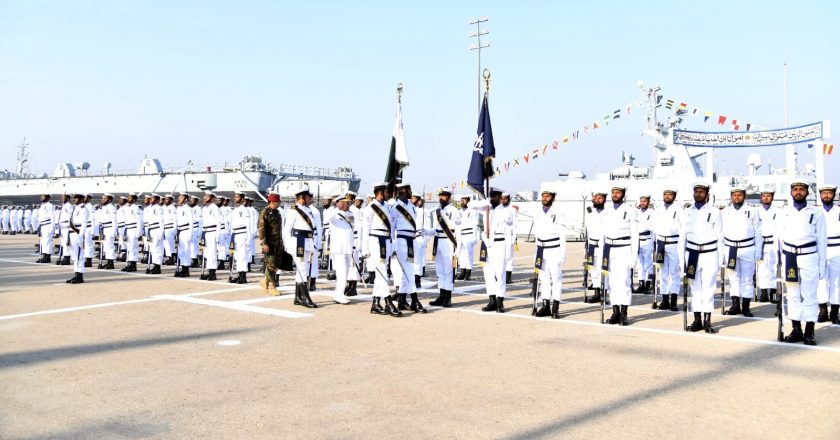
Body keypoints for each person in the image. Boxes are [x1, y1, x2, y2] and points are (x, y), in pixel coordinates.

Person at [778, 181, 827, 345]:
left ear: (807, 193)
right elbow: (778, 238)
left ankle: (810, 331)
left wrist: (821, 265)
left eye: (802, 190)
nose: (798, 192)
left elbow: (821, 239)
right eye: (795, 190)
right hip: (790, 257)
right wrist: (779, 261)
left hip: (809, 256)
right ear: (791, 192)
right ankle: (796, 329)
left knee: (809, 295)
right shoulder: (784, 212)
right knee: (792, 295)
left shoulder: (816, 212)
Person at [679, 182, 722, 333]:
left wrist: (720, 259)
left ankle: (707, 320)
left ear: (707, 195)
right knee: (695, 289)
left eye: (701, 192)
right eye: (696, 192)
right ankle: (697, 319)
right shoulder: (686, 212)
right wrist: (681, 260)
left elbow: (720, 237)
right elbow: (682, 237)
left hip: (709, 253)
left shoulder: (715, 212)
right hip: (691, 254)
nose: (698, 194)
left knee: (709, 288)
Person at [468, 187, 515, 313]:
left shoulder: (506, 211)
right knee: (488, 274)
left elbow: (510, 222)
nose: (493, 198)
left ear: (500, 198)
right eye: (491, 196)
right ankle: (492, 300)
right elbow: (470, 204)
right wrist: (485, 202)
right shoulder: (486, 208)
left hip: (499, 244)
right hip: (486, 244)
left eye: (495, 196)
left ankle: (500, 302)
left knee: (499, 274)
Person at [720, 186, 762, 317]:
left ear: (745, 196)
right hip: (730, 248)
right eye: (734, 195)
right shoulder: (724, 212)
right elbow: (720, 233)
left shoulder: (752, 211)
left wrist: (758, 252)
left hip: (748, 248)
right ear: (731, 197)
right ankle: (735, 305)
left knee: (747, 279)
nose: (737, 197)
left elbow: (758, 232)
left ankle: (746, 306)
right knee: (733, 278)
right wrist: (721, 252)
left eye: (739, 195)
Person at [599, 186, 638, 325]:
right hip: (609, 249)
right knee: (612, 283)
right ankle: (615, 311)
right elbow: (602, 234)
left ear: (623, 194)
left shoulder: (631, 211)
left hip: (624, 249)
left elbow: (635, 235)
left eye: (618, 192)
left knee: (624, 282)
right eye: (613, 192)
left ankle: (624, 313)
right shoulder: (606, 211)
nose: (615, 195)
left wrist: (634, 257)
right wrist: (601, 253)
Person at [361, 183, 400, 316]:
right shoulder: (370, 207)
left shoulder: (387, 207)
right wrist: (365, 247)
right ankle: (388, 302)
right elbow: (365, 229)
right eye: (386, 191)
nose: (388, 193)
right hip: (375, 240)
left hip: (385, 241)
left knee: (380, 274)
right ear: (380, 192)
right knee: (382, 272)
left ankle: (375, 303)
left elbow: (391, 227)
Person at [390, 182, 425, 313]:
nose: (411, 191)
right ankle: (415, 300)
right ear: (403, 191)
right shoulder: (395, 206)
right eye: (409, 189)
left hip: (411, 240)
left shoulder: (411, 205)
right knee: (409, 270)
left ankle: (402, 299)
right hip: (401, 240)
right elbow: (392, 227)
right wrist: (392, 244)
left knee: (407, 270)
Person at [533, 187, 567, 319]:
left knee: (556, 279)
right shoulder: (537, 212)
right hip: (541, 249)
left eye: (547, 196)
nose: (544, 199)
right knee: (544, 279)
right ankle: (545, 305)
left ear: (553, 197)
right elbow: (537, 235)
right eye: (543, 196)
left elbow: (562, 235)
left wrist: (562, 254)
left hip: (554, 249)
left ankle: (555, 307)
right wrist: (536, 254)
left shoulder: (558, 212)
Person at [283, 186, 318, 308]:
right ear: (302, 197)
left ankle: (298, 297)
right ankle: (305, 297)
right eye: (308, 197)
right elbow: (287, 229)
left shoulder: (308, 210)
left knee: (302, 269)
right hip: (298, 242)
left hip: (307, 242)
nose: (310, 199)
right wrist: (287, 245)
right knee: (302, 269)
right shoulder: (293, 211)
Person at [426, 188, 461, 307]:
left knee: (448, 270)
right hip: (438, 241)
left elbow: (458, 230)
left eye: (444, 196)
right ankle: (441, 296)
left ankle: (448, 297)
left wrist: (458, 247)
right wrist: (425, 231)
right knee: (440, 271)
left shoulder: (454, 210)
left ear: (449, 197)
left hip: (449, 242)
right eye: (440, 195)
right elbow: (436, 229)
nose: (441, 198)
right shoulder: (437, 211)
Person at [652, 188, 684, 311]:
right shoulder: (658, 210)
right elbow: (654, 227)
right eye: (665, 194)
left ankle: (674, 300)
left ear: (674, 196)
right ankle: (665, 299)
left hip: (674, 243)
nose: (667, 196)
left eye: (670, 194)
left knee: (674, 273)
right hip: (660, 243)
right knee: (663, 273)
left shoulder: (679, 210)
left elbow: (683, 228)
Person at [816, 185, 839, 324]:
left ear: (834, 195)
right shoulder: (816, 212)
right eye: (824, 193)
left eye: (829, 193)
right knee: (821, 281)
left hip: (837, 249)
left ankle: (835, 312)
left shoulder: (839, 211)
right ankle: (823, 310)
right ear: (820, 195)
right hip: (821, 249)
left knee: (837, 282)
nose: (826, 196)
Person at [328, 194, 356, 304]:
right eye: (345, 202)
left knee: (346, 272)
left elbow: (351, 229)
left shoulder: (351, 214)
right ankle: (339, 294)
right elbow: (328, 218)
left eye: (349, 202)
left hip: (348, 247)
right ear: (340, 202)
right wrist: (337, 207)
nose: (348, 204)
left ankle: (338, 293)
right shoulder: (334, 214)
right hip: (338, 248)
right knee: (341, 272)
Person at [756, 189, 781, 303]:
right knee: (762, 269)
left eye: (768, 196)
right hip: (761, 244)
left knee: (774, 268)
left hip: (773, 244)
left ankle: (773, 292)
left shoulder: (777, 211)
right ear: (761, 197)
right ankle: (764, 292)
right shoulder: (756, 211)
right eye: (764, 196)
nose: (766, 198)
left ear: (772, 197)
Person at [585, 191, 608, 303]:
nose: (598, 200)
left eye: (600, 198)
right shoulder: (590, 212)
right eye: (596, 198)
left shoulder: (608, 212)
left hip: (603, 245)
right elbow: (587, 229)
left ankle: (605, 293)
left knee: (604, 269)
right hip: (592, 245)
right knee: (593, 270)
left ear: (604, 199)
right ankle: (596, 292)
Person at [258, 192, 283, 294]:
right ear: (272, 202)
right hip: (269, 242)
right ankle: (272, 286)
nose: (279, 203)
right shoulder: (265, 213)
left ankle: (265, 281)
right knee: (271, 264)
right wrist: (264, 243)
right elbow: (261, 229)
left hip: (278, 242)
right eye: (278, 201)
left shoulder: (277, 212)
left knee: (277, 264)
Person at [227, 191, 252, 284]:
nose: (235, 198)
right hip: (235, 234)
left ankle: (243, 276)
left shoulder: (244, 210)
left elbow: (248, 225)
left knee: (242, 256)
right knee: (237, 256)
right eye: (235, 197)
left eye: (237, 197)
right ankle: (238, 274)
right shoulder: (235, 210)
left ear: (242, 199)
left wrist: (248, 238)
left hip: (242, 234)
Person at [66, 194, 89, 284]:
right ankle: (76, 274)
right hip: (71, 233)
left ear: (82, 199)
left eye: (77, 198)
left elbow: (83, 224)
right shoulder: (75, 208)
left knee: (79, 255)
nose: (75, 199)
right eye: (74, 198)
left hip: (77, 232)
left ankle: (80, 275)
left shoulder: (84, 209)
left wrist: (81, 236)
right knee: (74, 255)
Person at [634, 195, 654, 293]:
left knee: (648, 264)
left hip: (648, 240)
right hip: (638, 240)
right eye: (641, 201)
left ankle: (648, 283)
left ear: (648, 202)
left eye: (644, 201)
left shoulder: (652, 213)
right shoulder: (636, 213)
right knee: (639, 264)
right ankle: (641, 283)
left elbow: (654, 229)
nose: (642, 203)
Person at [455, 193, 477, 281]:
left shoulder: (472, 211)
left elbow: (475, 225)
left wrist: (474, 237)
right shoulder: (459, 212)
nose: (462, 201)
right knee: (461, 255)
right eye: (461, 200)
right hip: (461, 235)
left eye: (464, 199)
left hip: (469, 235)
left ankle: (468, 272)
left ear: (468, 201)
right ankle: (462, 271)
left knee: (469, 255)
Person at [95, 193, 118, 269]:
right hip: (103, 228)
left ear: (110, 200)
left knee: (110, 245)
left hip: (109, 228)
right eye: (103, 198)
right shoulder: (103, 208)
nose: (103, 200)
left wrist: (114, 231)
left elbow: (114, 220)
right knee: (105, 246)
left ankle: (111, 262)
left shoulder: (111, 208)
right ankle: (108, 261)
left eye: (105, 198)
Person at [121, 193, 143, 272]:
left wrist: (139, 232)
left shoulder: (136, 208)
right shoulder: (127, 208)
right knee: (129, 248)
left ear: (134, 200)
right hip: (128, 229)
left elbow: (139, 221)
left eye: (130, 198)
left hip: (134, 229)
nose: (128, 199)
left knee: (133, 247)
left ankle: (133, 265)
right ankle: (129, 263)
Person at [174, 193, 194, 277]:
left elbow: (191, 222)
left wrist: (190, 234)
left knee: (186, 250)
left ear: (185, 199)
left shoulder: (188, 209)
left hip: (186, 231)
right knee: (181, 251)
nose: (179, 199)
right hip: (180, 231)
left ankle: (186, 269)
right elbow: (176, 221)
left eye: (181, 197)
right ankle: (182, 267)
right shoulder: (178, 209)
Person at [412, 193, 428, 288]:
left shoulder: (423, 211)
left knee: (418, 260)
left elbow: (426, 225)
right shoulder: (409, 209)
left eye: (414, 198)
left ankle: (417, 279)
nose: (411, 200)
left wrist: (425, 239)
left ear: (418, 200)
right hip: (410, 237)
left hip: (419, 237)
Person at [501, 192, 517, 284]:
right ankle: (501, 275)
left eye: (505, 198)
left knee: (509, 257)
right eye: (502, 198)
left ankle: (508, 276)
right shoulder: (498, 209)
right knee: (501, 256)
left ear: (509, 199)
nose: (503, 200)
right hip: (500, 236)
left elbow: (515, 225)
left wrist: (513, 238)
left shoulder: (512, 209)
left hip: (508, 235)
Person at [36, 194, 55, 263]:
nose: (41, 197)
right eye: (41, 196)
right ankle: (44, 256)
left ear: (48, 198)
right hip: (42, 225)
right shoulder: (42, 205)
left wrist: (52, 228)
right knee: (43, 242)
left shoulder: (50, 206)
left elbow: (52, 217)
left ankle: (47, 257)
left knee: (47, 242)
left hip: (47, 225)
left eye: (43, 196)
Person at [55, 194, 73, 266]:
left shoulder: (69, 206)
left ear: (68, 199)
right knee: (63, 243)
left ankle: (67, 258)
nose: (62, 198)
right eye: (61, 197)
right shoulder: (63, 206)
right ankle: (64, 257)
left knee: (66, 243)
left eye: (64, 197)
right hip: (61, 226)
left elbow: (70, 217)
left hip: (66, 226)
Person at [162, 194, 178, 266]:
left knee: (170, 244)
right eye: (165, 199)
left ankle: (172, 258)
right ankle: (169, 257)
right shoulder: (164, 208)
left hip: (170, 228)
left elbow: (175, 219)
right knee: (166, 244)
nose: (165, 200)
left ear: (171, 200)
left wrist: (174, 229)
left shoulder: (172, 208)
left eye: (167, 199)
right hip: (164, 228)